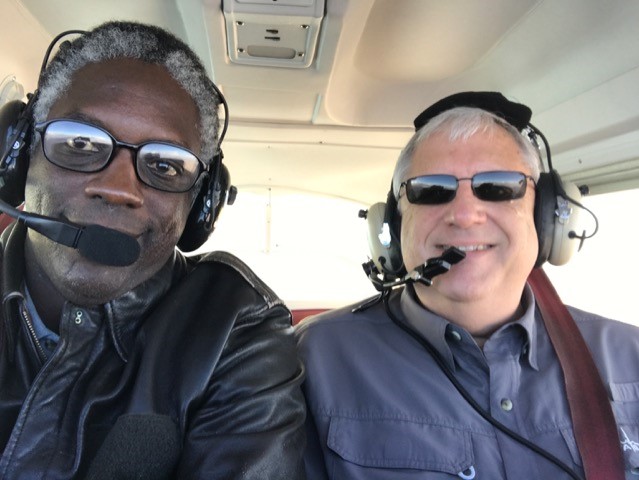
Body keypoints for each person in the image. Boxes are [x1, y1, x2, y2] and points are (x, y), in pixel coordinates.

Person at [0, 21, 305, 479]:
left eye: (165, 164)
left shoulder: (231, 327)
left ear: (200, 203)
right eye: (80, 143)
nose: (118, 188)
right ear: (19, 154)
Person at [296, 91, 639, 479]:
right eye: (430, 190)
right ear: (392, 225)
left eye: (498, 186)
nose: (464, 215)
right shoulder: (312, 359)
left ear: (546, 216)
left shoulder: (631, 357)